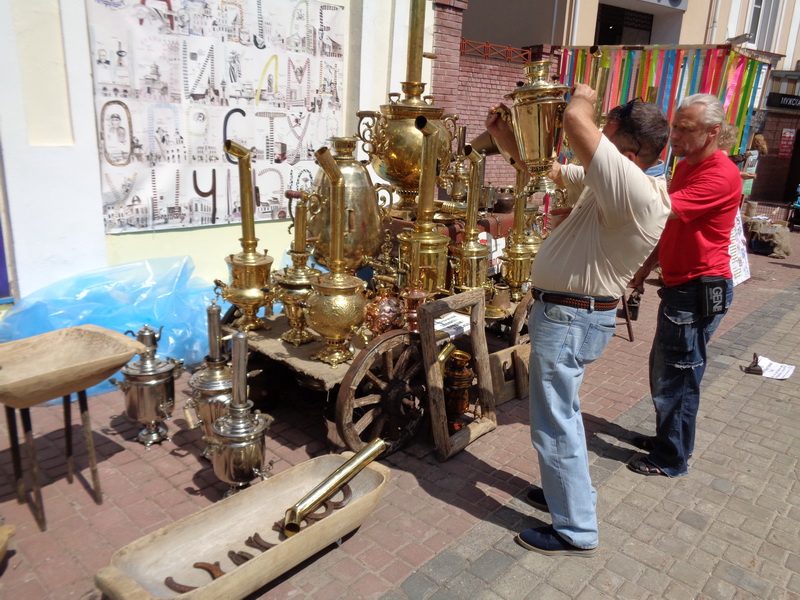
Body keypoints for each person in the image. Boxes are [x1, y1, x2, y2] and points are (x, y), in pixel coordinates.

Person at [487, 84, 671, 556]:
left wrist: (584, 95)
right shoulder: (612, 183)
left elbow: (573, 120)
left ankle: (576, 528)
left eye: (604, 138)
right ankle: (566, 494)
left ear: (627, 154)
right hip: (568, 315)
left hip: (572, 317)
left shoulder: (636, 191)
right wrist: (508, 139)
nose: (594, 146)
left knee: (554, 422)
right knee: (561, 415)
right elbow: (545, 169)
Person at [627, 93, 742, 478]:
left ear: (713, 132)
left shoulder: (720, 174)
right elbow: (670, 226)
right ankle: (668, 439)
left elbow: (662, 208)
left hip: (697, 289)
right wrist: (646, 266)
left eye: (684, 129)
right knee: (667, 370)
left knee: (677, 375)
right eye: (674, 126)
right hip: (683, 287)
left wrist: (617, 172)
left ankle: (671, 458)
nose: (673, 135)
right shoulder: (687, 165)